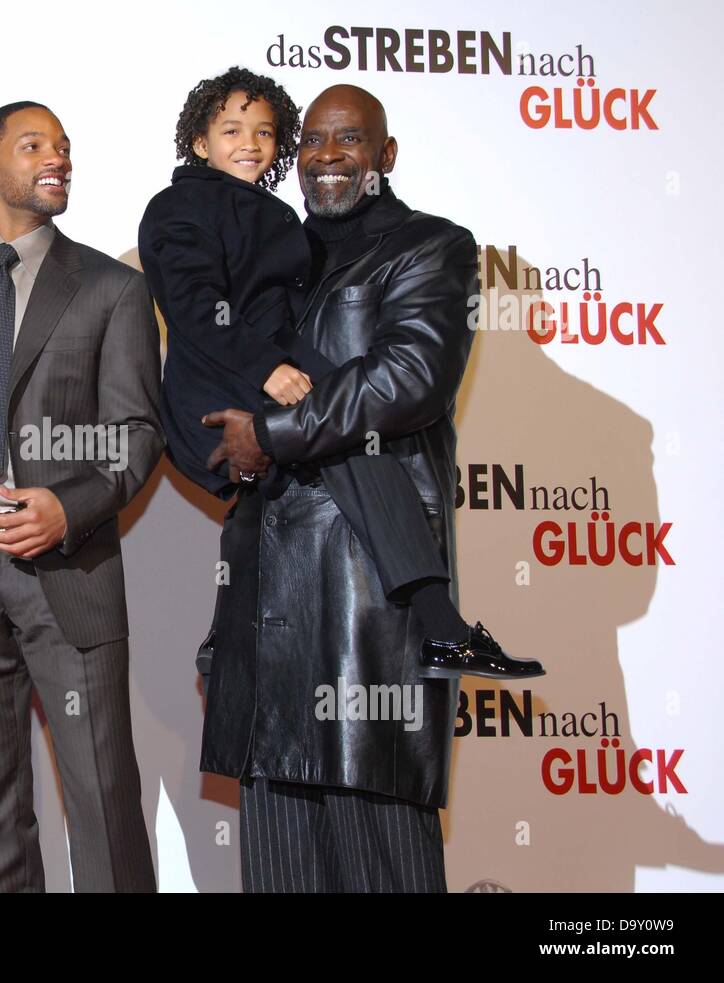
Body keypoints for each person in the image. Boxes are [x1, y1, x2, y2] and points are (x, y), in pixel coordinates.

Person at [202, 84, 522, 892]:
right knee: (279, 863)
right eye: (312, 140)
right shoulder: (268, 257)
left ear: (386, 156)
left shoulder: (431, 247)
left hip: (364, 601)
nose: (327, 155)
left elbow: (408, 377)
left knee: (384, 860)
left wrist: (269, 433)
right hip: (266, 602)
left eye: (350, 139)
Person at [139, 65, 542, 682]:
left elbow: (403, 379)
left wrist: (279, 411)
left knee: (354, 437)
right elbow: (195, 306)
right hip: (218, 393)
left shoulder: (298, 222)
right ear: (199, 141)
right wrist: (267, 369)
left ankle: (439, 627)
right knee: (341, 429)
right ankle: (438, 628)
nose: (251, 143)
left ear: (386, 153)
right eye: (231, 130)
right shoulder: (179, 206)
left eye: (267, 132)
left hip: (270, 396)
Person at [0, 102, 163, 892]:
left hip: (66, 568)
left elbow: (139, 431)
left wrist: (70, 506)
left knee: (101, 794)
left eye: (63, 147)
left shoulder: (112, 288)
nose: (57, 158)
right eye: (33, 146)